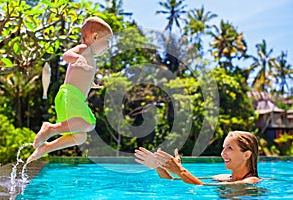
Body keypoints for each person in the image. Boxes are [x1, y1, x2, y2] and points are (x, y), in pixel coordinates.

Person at [27, 17, 113, 163]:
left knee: (79, 137)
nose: (108, 46)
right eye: (107, 41)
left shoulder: (90, 56)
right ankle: (51, 129)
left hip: (74, 97)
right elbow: (67, 55)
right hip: (71, 95)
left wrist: (90, 83)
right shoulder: (84, 49)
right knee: (89, 124)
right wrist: (76, 59)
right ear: (95, 37)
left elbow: (81, 75)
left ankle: (46, 148)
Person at [134, 131, 260, 185]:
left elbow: (201, 186)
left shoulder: (251, 181)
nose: (222, 153)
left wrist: (180, 170)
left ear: (246, 155)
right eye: (223, 148)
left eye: (230, 148)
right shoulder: (222, 178)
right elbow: (173, 182)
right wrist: (159, 167)